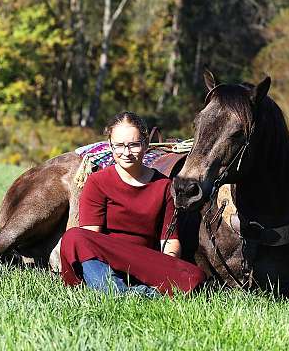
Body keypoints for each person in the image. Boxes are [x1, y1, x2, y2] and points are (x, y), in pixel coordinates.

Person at [60, 111, 206, 296]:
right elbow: (90, 239)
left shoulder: (164, 186)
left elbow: (169, 242)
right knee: (74, 237)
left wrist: (165, 267)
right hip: (106, 261)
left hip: (143, 260)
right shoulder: (98, 181)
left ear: (145, 145)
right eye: (119, 146)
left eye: (133, 145)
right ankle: (124, 292)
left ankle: (130, 290)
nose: (126, 152)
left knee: (195, 277)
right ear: (110, 146)